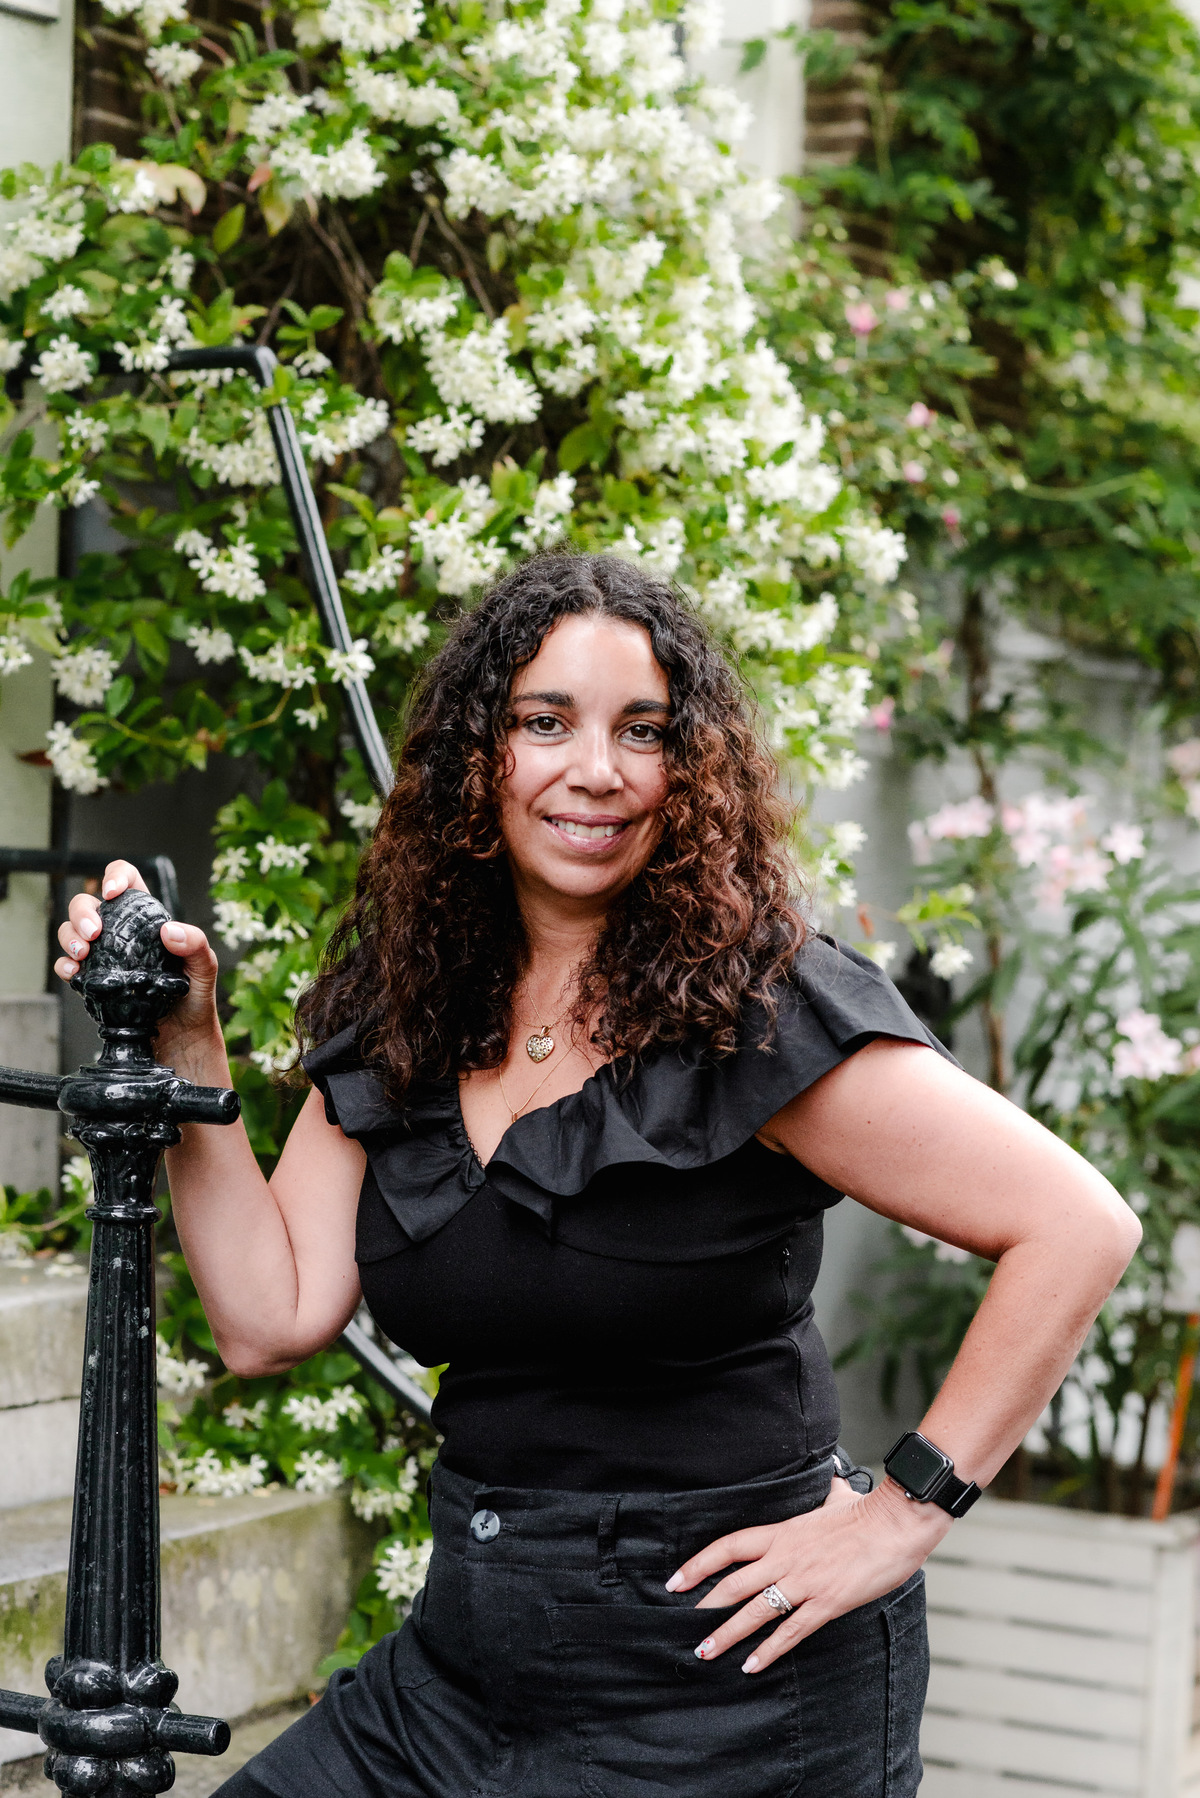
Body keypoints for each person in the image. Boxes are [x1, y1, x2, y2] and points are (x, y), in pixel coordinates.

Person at [56, 552, 1139, 1798]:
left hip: (724, 1687)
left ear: (691, 769)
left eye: (643, 731)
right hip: (463, 1670)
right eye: (544, 722)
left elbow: (1076, 1223)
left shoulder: (756, 1011)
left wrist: (900, 1515)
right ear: (480, 755)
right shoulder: (410, 1007)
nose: (599, 770)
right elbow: (267, 1313)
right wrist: (189, 1038)